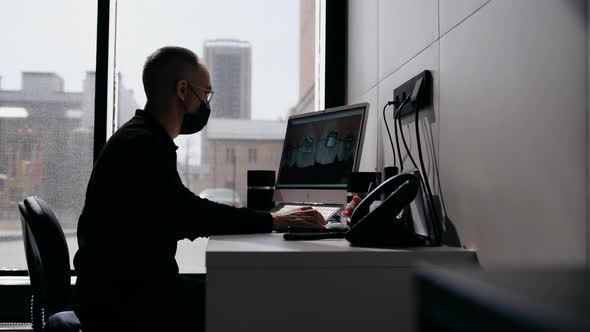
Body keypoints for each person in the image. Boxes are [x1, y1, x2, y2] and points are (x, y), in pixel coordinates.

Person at [72, 46, 326, 331]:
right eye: (205, 94)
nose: (206, 104)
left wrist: (267, 220)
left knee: (238, 292)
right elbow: (189, 214)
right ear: (183, 90)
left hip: (118, 293)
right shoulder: (143, 145)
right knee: (254, 302)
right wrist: (274, 220)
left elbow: (181, 211)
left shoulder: (140, 138)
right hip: (126, 303)